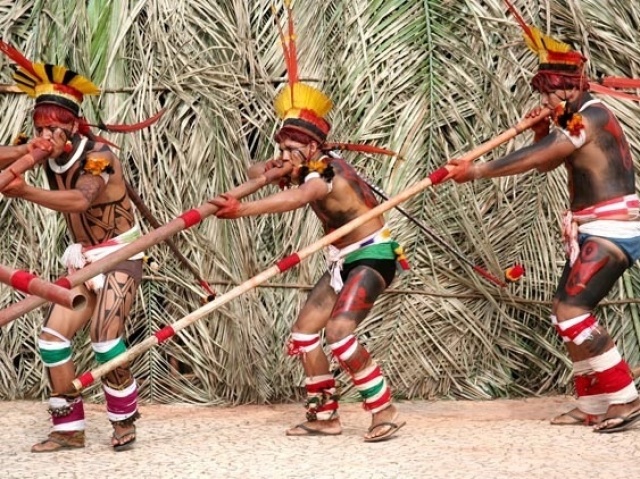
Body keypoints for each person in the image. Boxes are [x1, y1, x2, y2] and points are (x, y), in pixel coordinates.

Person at [210, 4, 407, 442]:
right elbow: (257, 171)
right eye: (281, 146)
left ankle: (384, 409)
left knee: (339, 333)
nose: (283, 155)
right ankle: (324, 417)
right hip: (343, 259)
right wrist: (269, 167)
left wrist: (241, 210)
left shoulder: (325, 177)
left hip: (373, 257)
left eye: (290, 149)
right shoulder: (303, 166)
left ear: (313, 149)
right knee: (304, 336)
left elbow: (296, 198)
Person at [447, 10, 640, 433]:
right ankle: (592, 402)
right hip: (593, 226)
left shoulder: (588, 117)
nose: (547, 102)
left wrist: (477, 170)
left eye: (552, 94)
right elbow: (546, 164)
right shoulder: (574, 118)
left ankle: (624, 397)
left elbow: (543, 157)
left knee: (573, 311)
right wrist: (537, 131)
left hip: (613, 228)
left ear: (570, 88)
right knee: (563, 313)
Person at [0, 41, 160, 451]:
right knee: (52, 338)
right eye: (39, 128)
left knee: (106, 339)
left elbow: (80, 200)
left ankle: (124, 419)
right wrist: (25, 150)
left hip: (120, 255)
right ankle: (68, 429)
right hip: (83, 257)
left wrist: (25, 191)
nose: (45, 136)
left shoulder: (99, 157)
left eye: (53, 129)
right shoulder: (38, 149)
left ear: (73, 127)